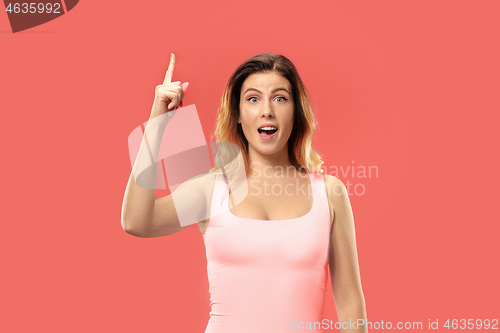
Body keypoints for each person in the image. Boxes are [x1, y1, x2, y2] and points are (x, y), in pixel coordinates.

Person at [121, 52, 368, 332]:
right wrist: (157, 123)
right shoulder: (211, 190)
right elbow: (136, 221)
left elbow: (349, 302)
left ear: (296, 111)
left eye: (280, 98)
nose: (267, 110)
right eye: (253, 99)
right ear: (238, 114)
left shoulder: (330, 193)